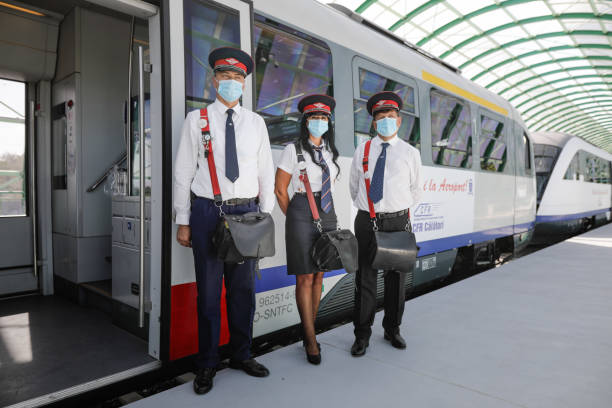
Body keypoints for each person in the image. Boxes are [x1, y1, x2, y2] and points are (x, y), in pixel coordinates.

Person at [174, 47, 275, 395]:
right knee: (208, 292)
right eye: (225, 76)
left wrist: (266, 214)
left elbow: (265, 171)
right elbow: (184, 172)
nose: (231, 83)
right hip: (206, 213)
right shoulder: (197, 120)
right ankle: (206, 364)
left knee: (243, 290)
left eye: (238, 78)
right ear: (213, 80)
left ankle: (242, 354)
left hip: (247, 213)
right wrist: (183, 220)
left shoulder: (256, 123)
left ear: (244, 84)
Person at [348, 91, 422, 357]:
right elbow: (354, 187)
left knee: (396, 281)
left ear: (399, 121)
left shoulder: (410, 153)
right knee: (365, 278)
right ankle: (362, 335)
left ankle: (393, 329)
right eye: (380, 118)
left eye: (390, 117)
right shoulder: (363, 150)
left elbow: (415, 190)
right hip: (367, 221)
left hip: (398, 222)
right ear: (374, 123)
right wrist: (374, 211)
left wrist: (394, 210)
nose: (386, 121)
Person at [274, 94, 340, 365]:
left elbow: (332, 185)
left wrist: (326, 216)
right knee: (304, 277)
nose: (319, 121)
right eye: (314, 117)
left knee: (319, 276)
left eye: (323, 117)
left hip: (327, 212)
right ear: (305, 121)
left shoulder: (331, 151)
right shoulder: (293, 150)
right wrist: (296, 220)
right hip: (301, 209)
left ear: (328, 122)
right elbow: (280, 191)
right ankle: (311, 339)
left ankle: (309, 330)